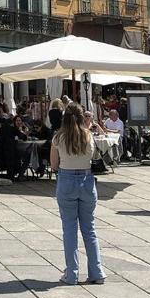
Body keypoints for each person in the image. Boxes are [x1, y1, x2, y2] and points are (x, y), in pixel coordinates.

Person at [50, 102, 104, 286]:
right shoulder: (88, 136)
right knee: (89, 229)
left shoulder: (58, 137)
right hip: (87, 181)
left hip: (66, 181)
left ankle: (72, 273)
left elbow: (54, 165)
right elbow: (95, 158)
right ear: (83, 118)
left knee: (70, 230)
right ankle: (97, 271)